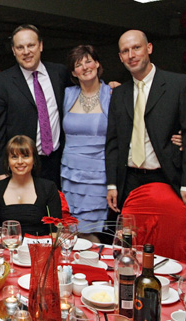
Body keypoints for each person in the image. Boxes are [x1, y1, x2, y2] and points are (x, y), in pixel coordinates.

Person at [106, 30, 186, 216]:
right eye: (125, 51)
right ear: (120, 57)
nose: (131, 55)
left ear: (149, 48)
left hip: (167, 177)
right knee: (131, 240)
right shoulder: (119, 94)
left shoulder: (178, 84)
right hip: (129, 180)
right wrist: (112, 183)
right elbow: (113, 143)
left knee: (167, 239)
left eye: (136, 48)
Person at [0, 24, 72, 190]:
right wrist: (0, 172)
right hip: (20, 166)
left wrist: (108, 87)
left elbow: (83, 90)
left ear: (40, 45)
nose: (26, 52)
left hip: (57, 163)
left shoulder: (59, 73)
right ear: (13, 50)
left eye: (31, 45)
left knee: (55, 212)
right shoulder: (0, 83)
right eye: (20, 47)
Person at [61, 45, 111, 233]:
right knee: (70, 231)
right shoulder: (66, 95)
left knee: (91, 230)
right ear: (74, 72)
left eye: (88, 61)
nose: (85, 67)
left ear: (97, 64)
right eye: (78, 64)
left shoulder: (112, 94)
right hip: (70, 174)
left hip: (99, 175)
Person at [0, 135, 62, 235]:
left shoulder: (48, 188)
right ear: (7, 161)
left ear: (34, 159)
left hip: (40, 247)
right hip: (7, 247)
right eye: (14, 157)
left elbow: (55, 231)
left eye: (25, 156)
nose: (20, 162)